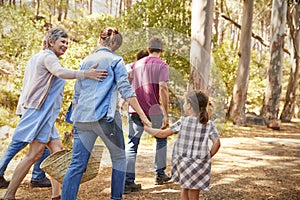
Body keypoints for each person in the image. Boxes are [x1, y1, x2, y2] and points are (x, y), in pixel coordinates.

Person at [1, 27, 106, 200]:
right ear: (51, 41)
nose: (65, 46)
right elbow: (60, 72)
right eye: (62, 42)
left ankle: (57, 195)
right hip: (39, 113)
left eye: (67, 43)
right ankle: (9, 195)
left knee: (57, 151)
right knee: (33, 154)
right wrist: (85, 74)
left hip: (45, 115)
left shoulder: (39, 57)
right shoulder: (48, 57)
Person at [61, 26, 151, 200]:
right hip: (105, 118)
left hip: (82, 118)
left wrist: (74, 121)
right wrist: (143, 115)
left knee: (77, 165)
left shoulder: (86, 61)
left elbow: (77, 94)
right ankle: (116, 198)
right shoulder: (115, 60)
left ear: (99, 39)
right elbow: (126, 90)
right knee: (119, 158)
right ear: (116, 45)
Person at [144, 90, 221, 200]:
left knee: (184, 188)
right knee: (194, 192)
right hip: (200, 164)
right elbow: (217, 143)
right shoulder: (209, 124)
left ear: (189, 106)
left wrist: (146, 128)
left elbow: (162, 134)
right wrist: (207, 156)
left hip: (183, 163)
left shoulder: (183, 121)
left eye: (184, 103)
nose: (184, 105)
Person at [0, 37, 52, 189]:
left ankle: (38, 176)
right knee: (19, 143)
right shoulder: (45, 60)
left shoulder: (35, 59)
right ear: (47, 43)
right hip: (33, 107)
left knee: (43, 141)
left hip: (31, 106)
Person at [124, 37, 170, 193]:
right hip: (155, 110)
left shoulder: (135, 65)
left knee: (132, 145)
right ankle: (160, 174)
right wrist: (166, 112)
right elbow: (163, 88)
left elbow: (127, 84)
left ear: (148, 48)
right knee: (161, 139)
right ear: (161, 50)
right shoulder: (162, 65)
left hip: (135, 109)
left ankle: (128, 181)